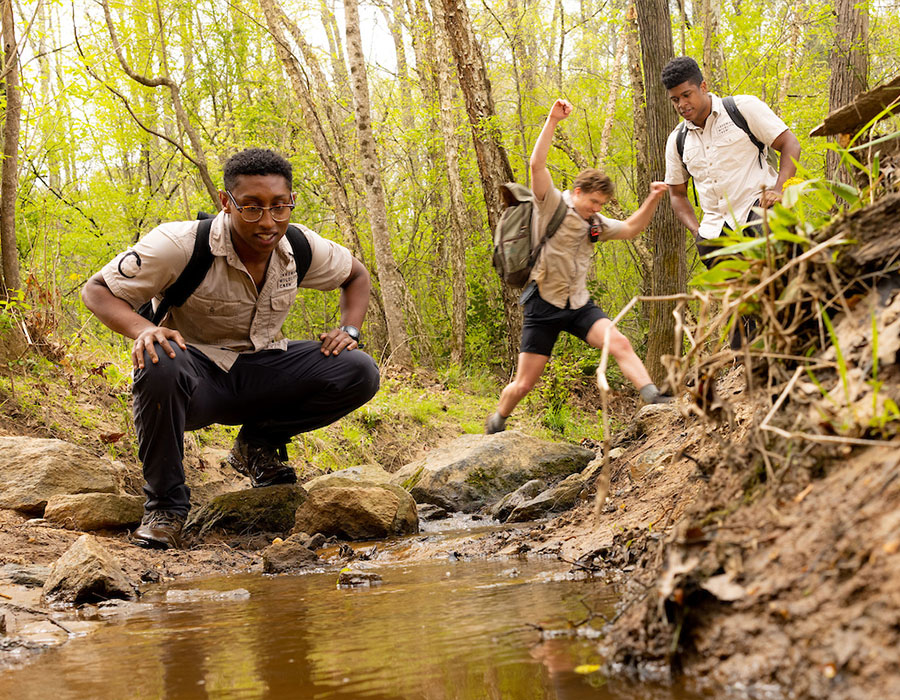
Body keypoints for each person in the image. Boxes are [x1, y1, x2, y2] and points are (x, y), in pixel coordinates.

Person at [82, 148, 380, 549]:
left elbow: (356, 275)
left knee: (357, 369)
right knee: (158, 359)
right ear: (226, 202)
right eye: (252, 208)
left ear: (291, 201)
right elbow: (96, 290)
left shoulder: (301, 246)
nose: (269, 221)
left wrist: (350, 328)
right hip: (194, 382)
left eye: (280, 206)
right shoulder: (178, 244)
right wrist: (143, 329)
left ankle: (256, 445)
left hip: (265, 371)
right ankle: (165, 508)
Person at [485, 99, 673, 435]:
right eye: (593, 202)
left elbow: (631, 228)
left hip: (579, 305)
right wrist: (553, 120)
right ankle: (498, 419)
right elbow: (536, 164)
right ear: (577, 192)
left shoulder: (596, 223)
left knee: (620, 344)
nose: (597, 209)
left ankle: (653, 397)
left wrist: (653, 200)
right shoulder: (551, 204)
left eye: (602, 204)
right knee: (524, 384)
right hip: (543, 305)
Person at [661, 56, 801, 266]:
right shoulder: (677, 140)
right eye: (675, 100)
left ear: (703, 86)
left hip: (758, 212)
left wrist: (780, 190)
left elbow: (790, 143)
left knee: (784, 281)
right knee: (742, 297)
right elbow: (677, 194)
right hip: (715, 234)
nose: (682, 104)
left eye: (686, 95)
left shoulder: (742, 108)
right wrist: (697, 232)